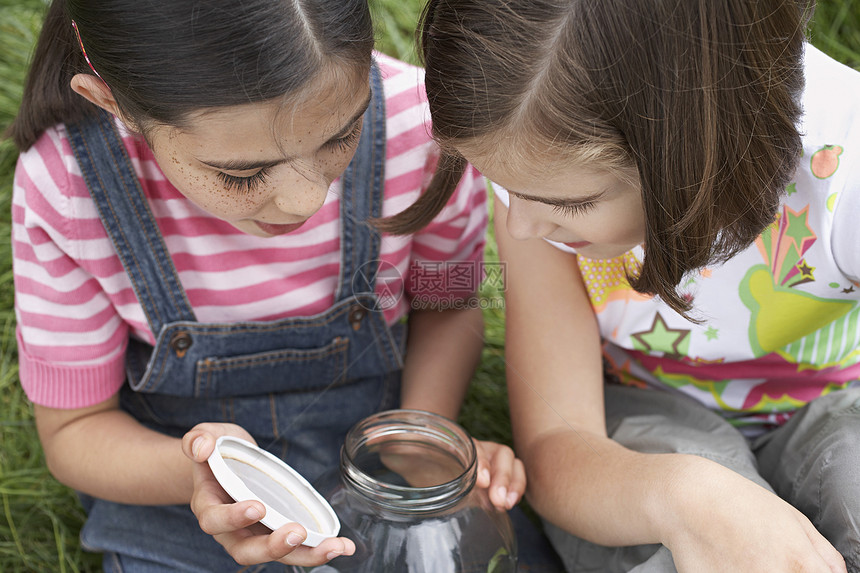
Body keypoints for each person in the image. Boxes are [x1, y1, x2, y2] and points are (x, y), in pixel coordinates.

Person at [7, 0, 529, 570]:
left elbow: (447, 307)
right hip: (183, 508)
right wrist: (198, 476)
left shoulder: (419, 127)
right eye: (243, 173)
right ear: (115, 103)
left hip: (372, 471)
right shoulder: (71, 188)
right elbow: (76, 431)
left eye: (341, 134)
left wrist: (419, 445)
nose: (309, 199)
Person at [387, 0, 860, 571]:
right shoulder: (536, 168)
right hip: (638, 417)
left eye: (572, 203)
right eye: (505, 188)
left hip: (837, 400)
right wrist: (685, 498)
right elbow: (559, 443)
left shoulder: (846, 169)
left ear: (693, 146)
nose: (520, 227)